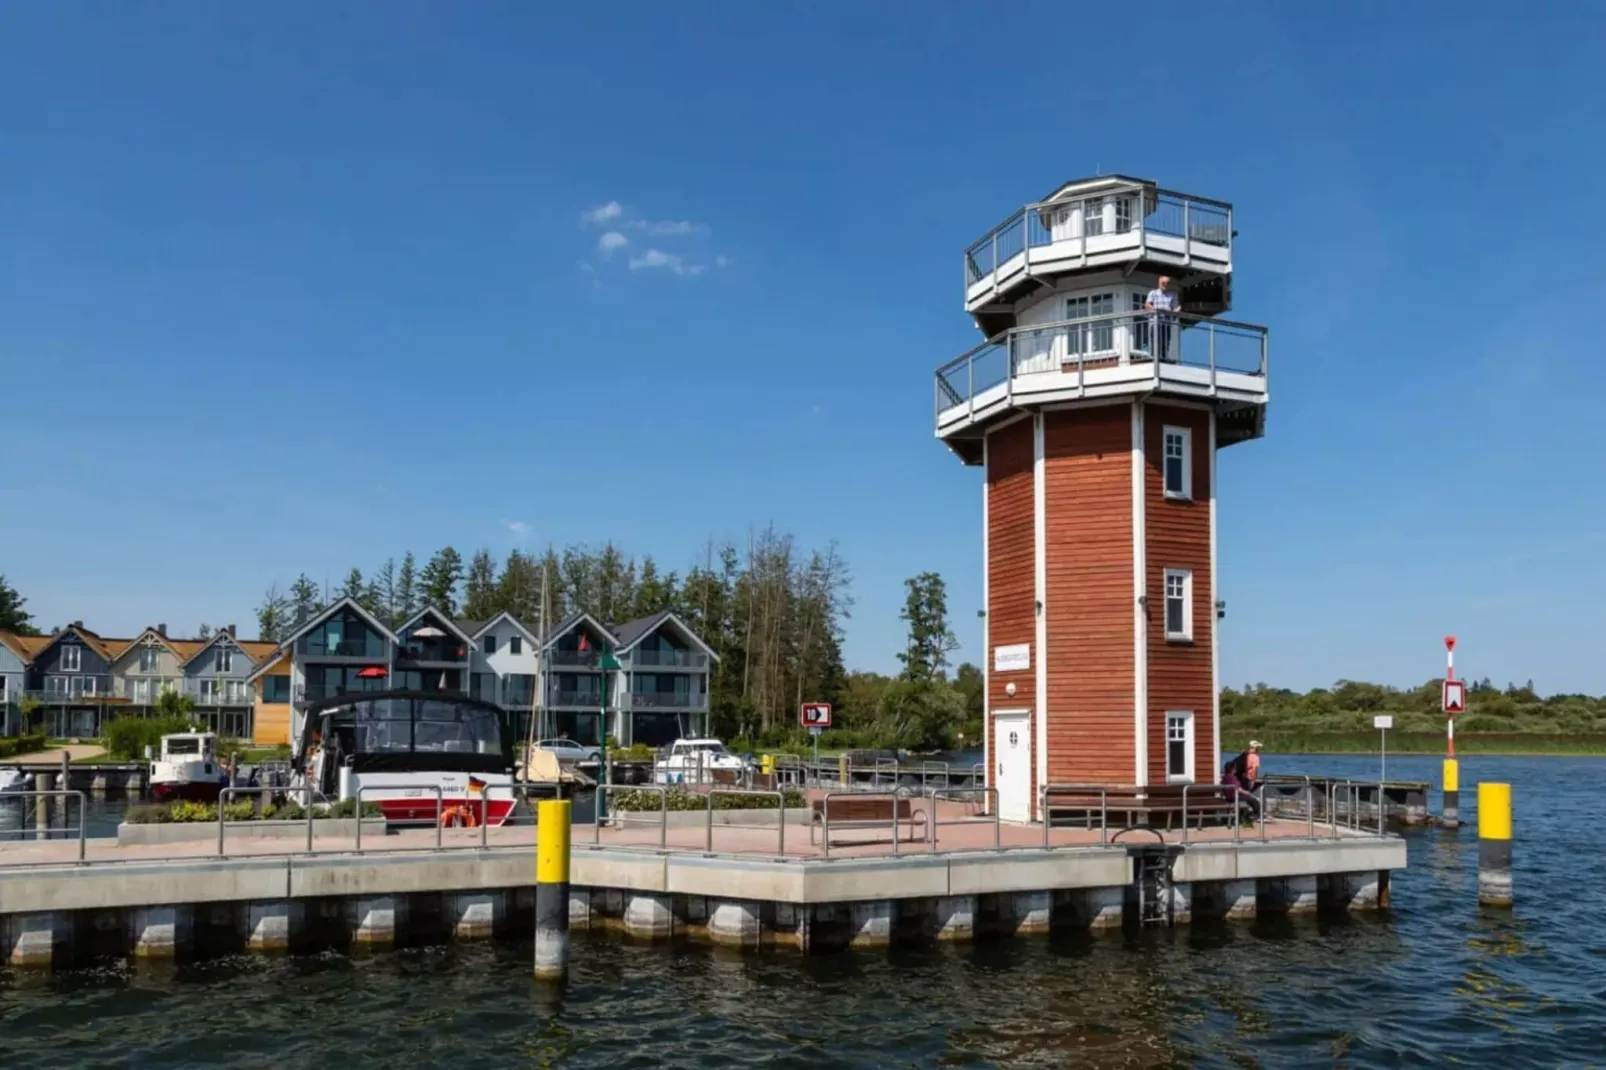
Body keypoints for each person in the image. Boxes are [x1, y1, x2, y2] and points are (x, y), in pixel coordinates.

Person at [1222, 741, 1263, 822]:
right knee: (1251, 798)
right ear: (1255, 748)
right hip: (1247, 781)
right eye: (1258, 747)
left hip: (1240, 782)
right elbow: (1254, 770)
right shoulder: (1255, 757)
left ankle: (1245, 813)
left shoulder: (1244, 756)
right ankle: (1256, 815)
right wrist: (1254, 780)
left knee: (1247, 797)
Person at [1144, 276, 1181, 363]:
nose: (1165, 285)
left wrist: (1176, 310)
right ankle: (1154, 357)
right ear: (1159, 283)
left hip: (1166, 320)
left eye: (1167, 283)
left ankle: (1164, 357)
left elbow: (1175, 308)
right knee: (1156, 340)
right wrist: (1156, 310)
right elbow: (1147, 304)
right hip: (1156, 319)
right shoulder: (1153, 293)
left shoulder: (1172, 294)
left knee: (1166, 339)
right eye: (1163, 283)